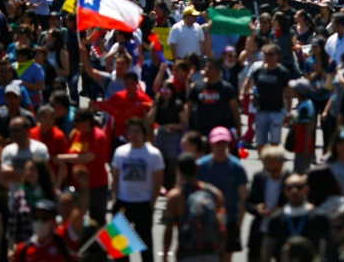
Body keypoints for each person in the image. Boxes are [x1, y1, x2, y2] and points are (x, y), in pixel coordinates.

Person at [110, 118, 164, 262]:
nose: (134, 135)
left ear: (144, 134)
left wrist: (152, 202)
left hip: (143, 203)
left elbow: (158, 181)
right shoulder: (120, 152)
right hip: (123, 202)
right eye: (130, 131)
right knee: (120, 248)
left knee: (145, 245)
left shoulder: (154, 154)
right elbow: (115, 178)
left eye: (137, 131)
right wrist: (115, 199)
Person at [197, 126, 249, 259]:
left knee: (226, 257)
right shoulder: (201, 166)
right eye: (216, 143)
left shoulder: (237, 167)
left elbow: (243, 198)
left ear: (228, 143)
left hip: (230, 220)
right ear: (211, 144)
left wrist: (239, 223)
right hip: (206, 220)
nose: (220, 147)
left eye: (223, 143)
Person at [163, 152, 225, 262]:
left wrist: (165, 256)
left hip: (187, 253)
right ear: (197, 168)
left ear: (178, 171)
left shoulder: (175, 196)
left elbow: (169, 230)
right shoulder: (214, 193)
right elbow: (222, 226)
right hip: (210, 252)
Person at [57, 108, 110, 225]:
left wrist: (61, 158)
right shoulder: (76, 134)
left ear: (88, 121)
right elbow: (70, 152)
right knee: (76, 218)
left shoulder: (98, 136)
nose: (75, 124)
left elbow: (88, 157)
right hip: (77, 185)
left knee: (97, 220)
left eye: (78, 121)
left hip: (96, 184)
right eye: (75, 121)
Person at [261, 173, 328, 261]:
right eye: (289, 188)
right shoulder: (276, 218)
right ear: (285, 191)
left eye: (299, 187)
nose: (294, 191)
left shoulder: (319, 217)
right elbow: (267, 251)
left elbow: (326, 248)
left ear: (306, 189)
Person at [243, 44, 292, 151]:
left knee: (275, 143)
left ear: (277, 56)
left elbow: (288, 94)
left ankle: (273, 164)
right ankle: (265, 164)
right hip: (261, 111)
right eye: (265, 54)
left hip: (277, 111)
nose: (267, 57)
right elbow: (249, 86)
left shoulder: (283, 72)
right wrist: (249, 94)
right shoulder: (258, 71)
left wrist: (288, 112)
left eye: (270, 54)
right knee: (260, 143)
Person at [247, 145, 289, 262]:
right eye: (267, 168)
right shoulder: (259, 178)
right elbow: (248, 203)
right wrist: (257, 208)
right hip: (260, 230)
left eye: (275, 170)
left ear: (281, 163)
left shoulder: (291, 180)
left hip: (283, 232)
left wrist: (280, 211)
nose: (271, 172)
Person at [188, 57, 241, 139]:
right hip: (201, 131)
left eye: (210, 67)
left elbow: (235, 110)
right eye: (205, 67)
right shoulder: (196, 87)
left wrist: (238, 128)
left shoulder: (227, 88)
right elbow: (189, 108)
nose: (206, 69)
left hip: (221, 132)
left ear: (218, 71)